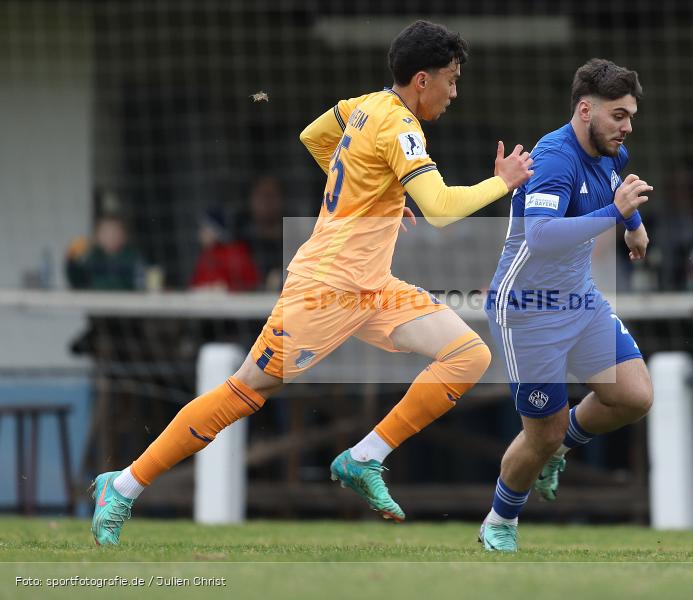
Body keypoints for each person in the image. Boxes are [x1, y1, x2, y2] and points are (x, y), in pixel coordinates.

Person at [88, 19, 533, 545]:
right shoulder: (403, 128)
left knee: (468, 355)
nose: (454, 92)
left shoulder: (362, 105)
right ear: (421, 79)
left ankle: (364, 457)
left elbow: (314, 136)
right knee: (244, 393)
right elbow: (439, 209)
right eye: (451, 80)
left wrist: (375, 198)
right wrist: (500, 183)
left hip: (372, 287)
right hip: (323, 289)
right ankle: (122, 485)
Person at [479, 59, 653, 552]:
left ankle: (559, 449)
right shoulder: (554, 157)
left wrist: (633, 225)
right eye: (618, 115)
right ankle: (500, 521)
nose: (627, 126)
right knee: (542, 433)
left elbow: (620, 193)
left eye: (631, 115)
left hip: (578, 299)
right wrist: (614, 214)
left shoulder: (612, 151)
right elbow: (542, 237)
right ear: (585, 110)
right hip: (527, 309)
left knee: (636, 395)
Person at [66, 213, 143, 291]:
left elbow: (140, 283)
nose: (111, 236)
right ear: (97, 236)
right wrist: (72, 259)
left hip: (126, 301)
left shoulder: (132, 257)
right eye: (106, 232)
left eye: (115, 232)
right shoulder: (90, 256)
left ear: (124, 236)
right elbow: (77, 281)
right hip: (96, 301)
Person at [190, 207, 260, 291]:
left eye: (204, 229)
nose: (200, 234)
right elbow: (196, 285)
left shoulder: (235, 253)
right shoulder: (205, 256)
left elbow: (251, 282)